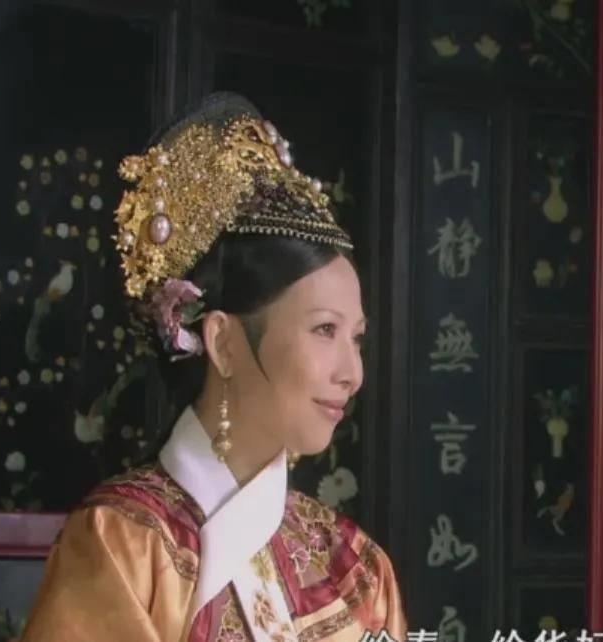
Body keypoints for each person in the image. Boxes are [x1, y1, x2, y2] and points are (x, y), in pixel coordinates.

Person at [21, 93, 407, 642]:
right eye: (324, 330)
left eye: (357, 338)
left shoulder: (355, 567)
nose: (353, 372)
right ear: (223, 341)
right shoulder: (122, 544)